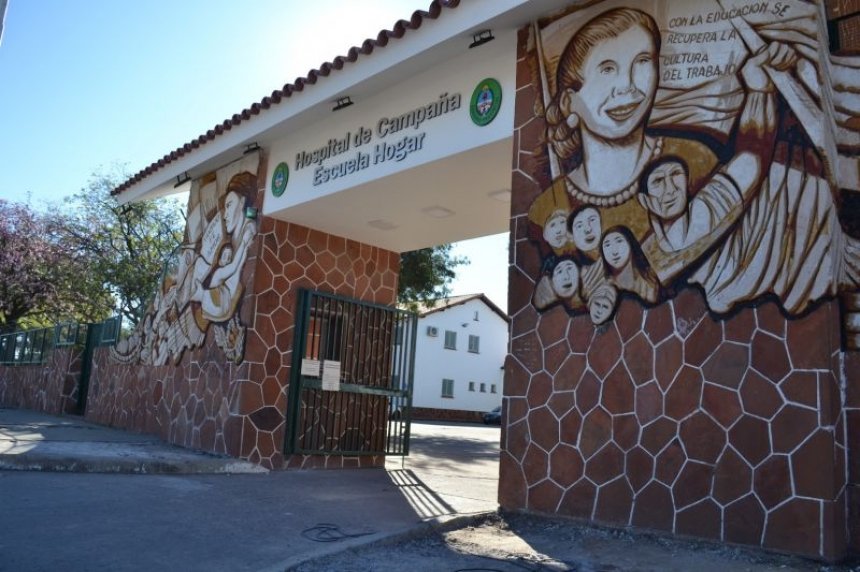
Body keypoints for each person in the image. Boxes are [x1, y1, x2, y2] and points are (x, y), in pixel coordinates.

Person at [601, 226, 658, 303]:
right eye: (607, 245)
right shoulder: (604, 289)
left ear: (630, 244)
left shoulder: (649, 281)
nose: (614, 252)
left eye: (619, 241)